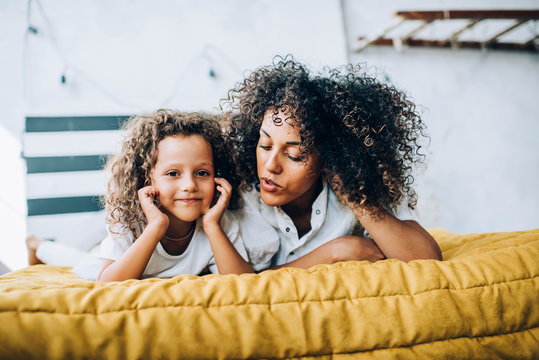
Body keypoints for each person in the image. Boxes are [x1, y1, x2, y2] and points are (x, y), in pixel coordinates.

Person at [222, 57, 442, 269]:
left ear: (328, 157)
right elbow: (244, 280)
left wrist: (355, 198)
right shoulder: (242, 197)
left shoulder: (356, 188)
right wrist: (333, 252)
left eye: (294, 155)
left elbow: (426, 258)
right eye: (266, 145)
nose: (271, 166)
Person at [27, 110, 253, 280]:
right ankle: (37, 245)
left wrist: (212, 226)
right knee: (79, 263)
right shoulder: (130, 221)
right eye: (173, 173)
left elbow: (243, 281)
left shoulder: (219, 223)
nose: (190, 184)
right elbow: (108, 283)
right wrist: (156, 226)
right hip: (111, 264)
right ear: (147, 179)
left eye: (202, 173)